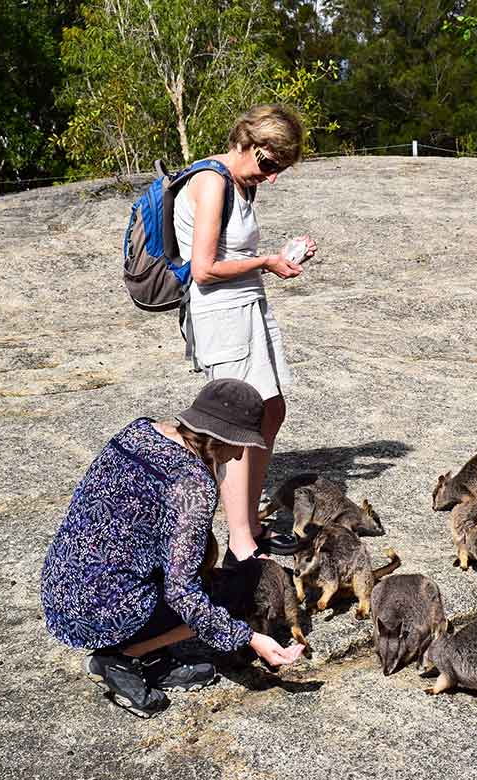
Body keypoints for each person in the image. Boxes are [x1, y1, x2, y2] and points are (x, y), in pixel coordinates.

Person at [39, 379, 308, 718]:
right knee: (229, 593)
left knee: (192, 571)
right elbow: (183, 594)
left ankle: (153, 653)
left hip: (62, 587)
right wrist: (250, 638)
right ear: (221, 438)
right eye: (238, 445)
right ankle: (120, 658)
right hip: (99, 611)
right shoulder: (192, 485)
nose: (239, 455)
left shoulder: (138, 432)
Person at [175, 104, 317, 566]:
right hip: (224, 315)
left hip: (250, 307)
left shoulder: (240, 184)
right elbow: (204, 268)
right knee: (237, 426)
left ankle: (249, 520)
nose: (272, 176)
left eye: (280, 168)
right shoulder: (212, 182)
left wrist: (278, 257)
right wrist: (265, 262)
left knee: (271, 410)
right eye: (269, 163)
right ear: (249, 142)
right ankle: (240, 541)